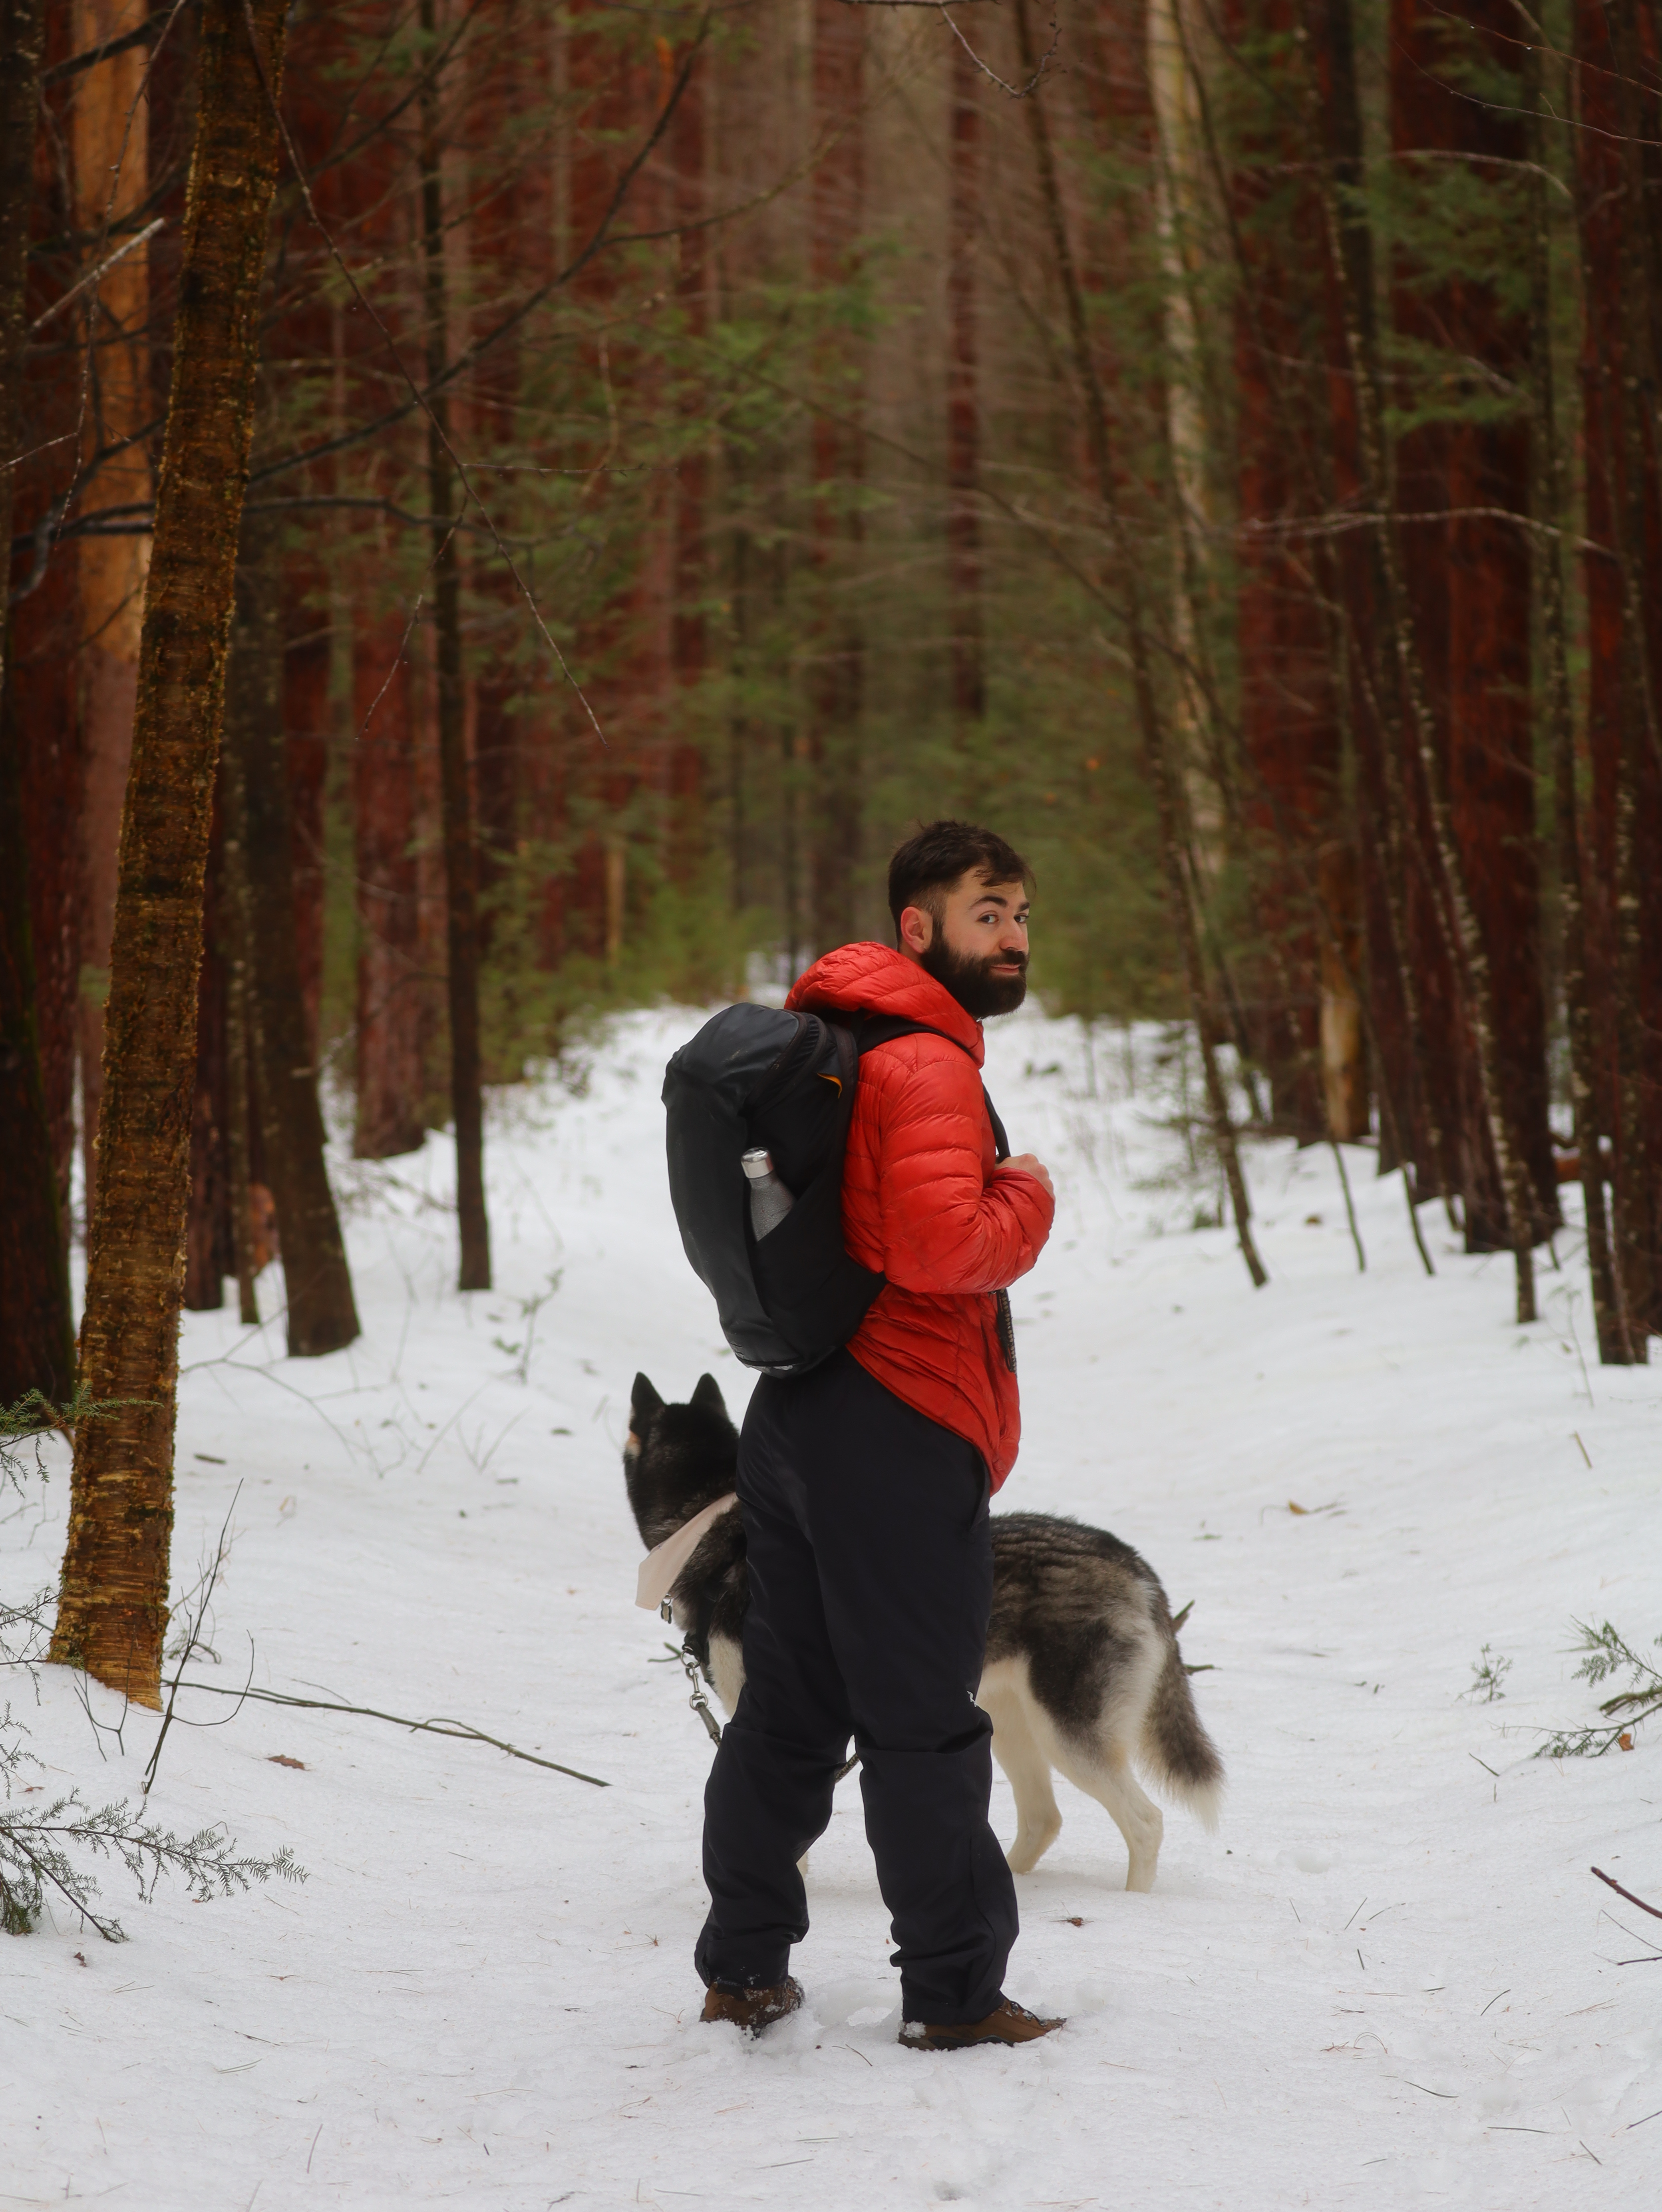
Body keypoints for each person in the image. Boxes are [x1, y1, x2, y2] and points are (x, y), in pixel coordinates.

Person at [694, 820, 1061, 2051]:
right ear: (919, 928)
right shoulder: (926, 1066)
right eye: (986, 914)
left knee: (791, 1709)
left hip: (798, 1413)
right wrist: (1029, 1192)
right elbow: (940, 1248)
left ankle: (743, 1965)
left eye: (1018, 914)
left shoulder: (842, 1040)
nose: (1012, 938)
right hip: (894, 1428)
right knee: (923, 1720)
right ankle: (955, 1996)